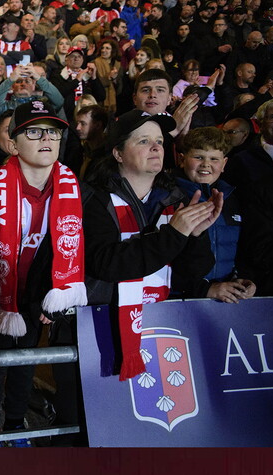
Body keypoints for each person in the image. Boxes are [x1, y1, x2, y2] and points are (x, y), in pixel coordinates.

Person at [0, 101, 88, 447]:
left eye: (52, 132)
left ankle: (17, 426)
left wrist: (53, 298)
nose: (46, 138)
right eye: (33, 131)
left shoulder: (74, 191)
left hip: (36, 298)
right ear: (14, 144)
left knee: (25, 365)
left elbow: (73, 251)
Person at [79, 109, 218, 387]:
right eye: (143, 141)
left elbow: (191, 274)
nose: (156, 147)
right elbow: (107, 264)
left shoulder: (176, 198)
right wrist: (175, 234)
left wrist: (195, 238)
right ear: (118, 154)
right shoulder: (91, 199)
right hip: (101, 325)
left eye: (159, 141)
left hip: (163, 324)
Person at [173, 126, 256, 303]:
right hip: (178, 302)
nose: (206, 164)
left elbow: (241, 248)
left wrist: (241, 279)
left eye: (214, 159)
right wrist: (205, 289)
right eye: (198, 157)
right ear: (182, 159)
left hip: (224, 297)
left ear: (224, 164)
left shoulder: (232, 198)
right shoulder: (168, 197)